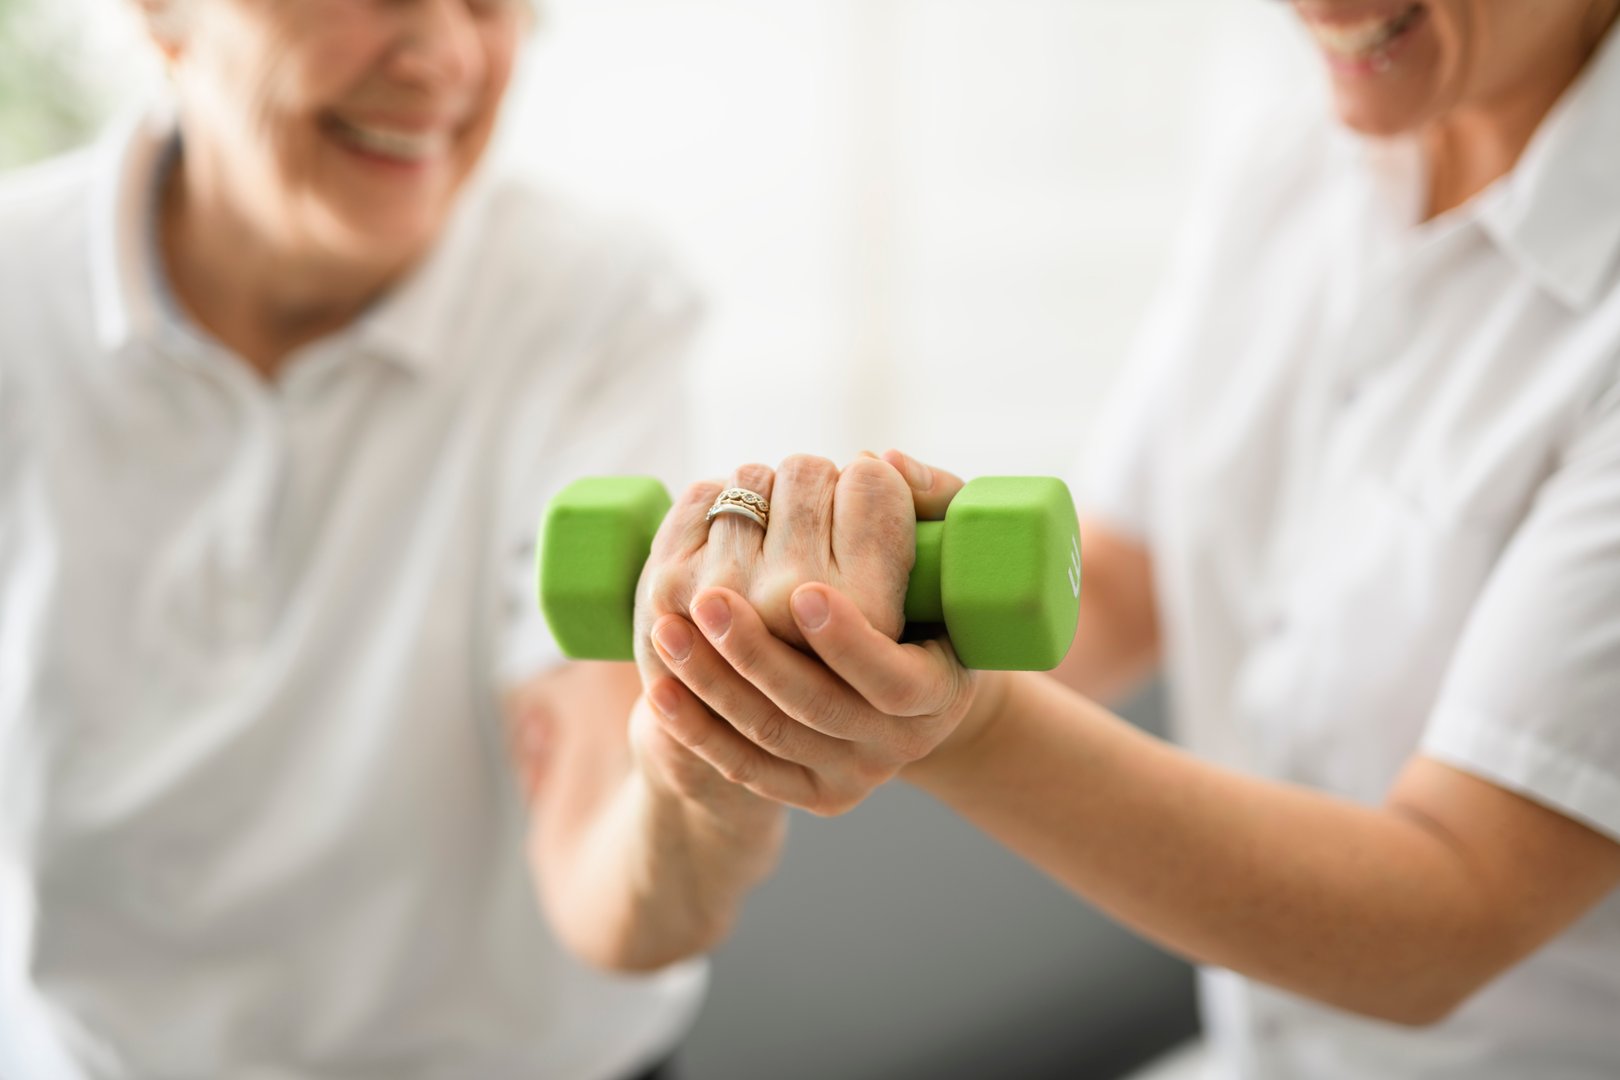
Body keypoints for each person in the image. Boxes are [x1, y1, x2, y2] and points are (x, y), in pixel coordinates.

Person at [629, 1, 1620, 1077]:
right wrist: (858, 627)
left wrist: (959, 726)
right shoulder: (1294, 147)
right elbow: (1112, 582)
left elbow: (1448, 915)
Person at [0, 1, 798, 1076]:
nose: (447, 57)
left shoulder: (590, 302)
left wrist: (702, 788)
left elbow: (611, 892)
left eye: (489, 3)